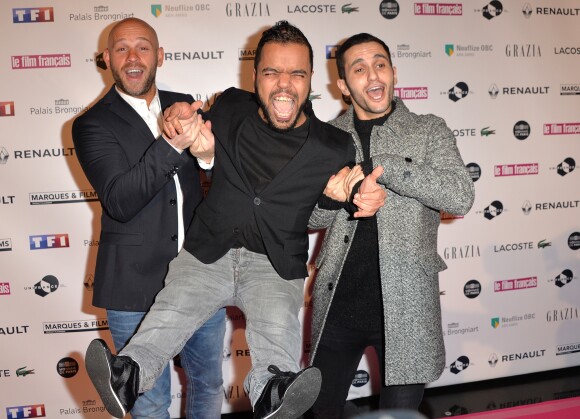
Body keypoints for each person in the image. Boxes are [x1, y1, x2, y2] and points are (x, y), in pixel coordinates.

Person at [84, 21, 385, 419]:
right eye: (272, 72)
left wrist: (354, 196)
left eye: (296, 73)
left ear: (311, 78)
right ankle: (128, 374)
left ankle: (273, 391)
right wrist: (195, 139)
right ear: (254, 76)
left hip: (274, 264)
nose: (284, 84)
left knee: (276, 331)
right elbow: (198, 140)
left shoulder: (334, 145)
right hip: (207, 253)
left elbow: (341, 194)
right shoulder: (227, 107)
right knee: (170, 315)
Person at [306, 33, 475, 418]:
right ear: (344, 86)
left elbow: (460, 195)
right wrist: (335, 197)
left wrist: (384, 167)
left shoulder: (429, 130)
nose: (373, 75)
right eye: (359, 69)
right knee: (317, 411)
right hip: (338, 304)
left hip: (407, 307)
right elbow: (312, 220)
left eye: (380, 64)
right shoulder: (327, 138)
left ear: (394, 72)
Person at [72, 18, 226, 419]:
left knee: (208, 383)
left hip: (200, 278)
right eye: (121, 49)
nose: (133, 58)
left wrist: (207, 156)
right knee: (150, 400)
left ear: (160, 55)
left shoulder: (187, 103)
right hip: (132, 286)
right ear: (107, 59)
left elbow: (219, 180)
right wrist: (173, 143)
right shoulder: (91, 124)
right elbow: (121, 200)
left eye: (143, 47)